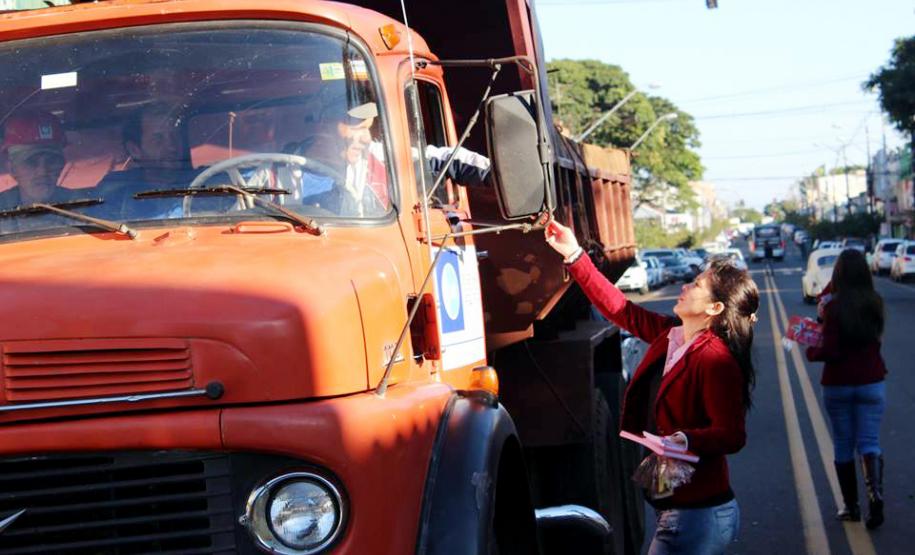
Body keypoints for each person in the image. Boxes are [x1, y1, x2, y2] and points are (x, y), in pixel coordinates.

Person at [545, 219, 759, 555]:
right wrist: (574, 254)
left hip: (699, 517)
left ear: (714, 308)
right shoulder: (672, 335)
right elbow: (621, 309)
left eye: (697, 286)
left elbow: (732, 434)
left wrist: (686, 439)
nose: (686, 287)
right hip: (676, 511)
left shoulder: (716, 359)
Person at [806, 249, 887, 529]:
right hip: (871, 381)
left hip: (839, 384)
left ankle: (851, 507)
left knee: (843, 444)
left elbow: (829, 349)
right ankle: (875, 499)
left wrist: (812, 353)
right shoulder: (875, 302)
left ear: (838, 274)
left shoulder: (833, 307)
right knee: (869, 442)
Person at [294, 102, 489, 217]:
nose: (366, 138)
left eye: (368, 128)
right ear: (322, 126)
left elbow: (448, 159)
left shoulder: (378, 159)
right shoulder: (273, 174)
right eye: (357, 127)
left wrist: (501, 173)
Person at [0, 111, 70, 208]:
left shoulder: (87, 206)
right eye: (31, 162)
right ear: (12, 169)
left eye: (51, 161)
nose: (42, 171)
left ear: (61, 166)